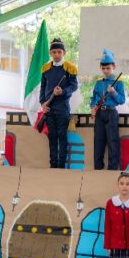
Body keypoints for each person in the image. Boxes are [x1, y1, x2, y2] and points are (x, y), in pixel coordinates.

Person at [39, 37, 79, 169]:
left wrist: (62, 91)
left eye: (59, 52)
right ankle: (53, 166)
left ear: (64, 53)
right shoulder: (45, 69)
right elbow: (42, 88)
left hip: (62, 107)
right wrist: (43, 104)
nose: (57, 54)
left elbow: (74, 86)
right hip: (49, 108)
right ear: (51, 53)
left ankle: (61, 167)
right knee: (52, 137)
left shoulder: (70, 68)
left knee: (62, 136)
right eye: (54, 52)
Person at [90, 49, 125, 171]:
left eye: (108, 68)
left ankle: (113, 169)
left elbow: (121, 100)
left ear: (114, 67)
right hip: (100, 113)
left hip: (111, 112)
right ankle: (98, 168)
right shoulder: (98, 82)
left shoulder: (119, 82)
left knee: (112, 141)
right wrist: (93, 108)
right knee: (98, 141)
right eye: (103, 68)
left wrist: (114, 92)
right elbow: (94, 97)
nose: (106, 71)